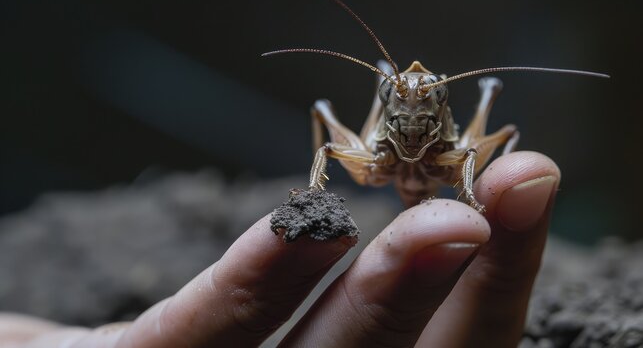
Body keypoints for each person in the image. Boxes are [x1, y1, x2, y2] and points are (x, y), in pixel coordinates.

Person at [0, 151, 559, 347]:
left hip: (443, 179)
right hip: (376, 176)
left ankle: (471, 198)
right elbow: (341, 144)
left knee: (512, 166)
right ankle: (313, 202)